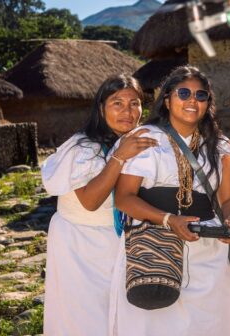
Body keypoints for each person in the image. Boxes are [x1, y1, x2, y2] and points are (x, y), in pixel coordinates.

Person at [110, 65, 230, 335]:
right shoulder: (145, 139)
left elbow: (229, 197)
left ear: (208, 103)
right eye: (184, 93)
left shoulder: (221, 147)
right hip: (154, 249)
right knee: (155, 327)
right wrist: (169, 220)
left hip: (207, 252)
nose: (192, 100)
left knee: (207, 326)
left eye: (200, 95)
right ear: (167, 100)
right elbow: (124, 198)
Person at [41, 74, 157, 335]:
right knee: (86, 318)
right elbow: (90, 201)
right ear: (101, 107)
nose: (127, 111)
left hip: (117, 242)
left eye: (134, 103)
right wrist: (118, 157)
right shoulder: (83, 147)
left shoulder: (136, 141)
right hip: (80, 244)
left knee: (121, 317)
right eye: (117, 103)